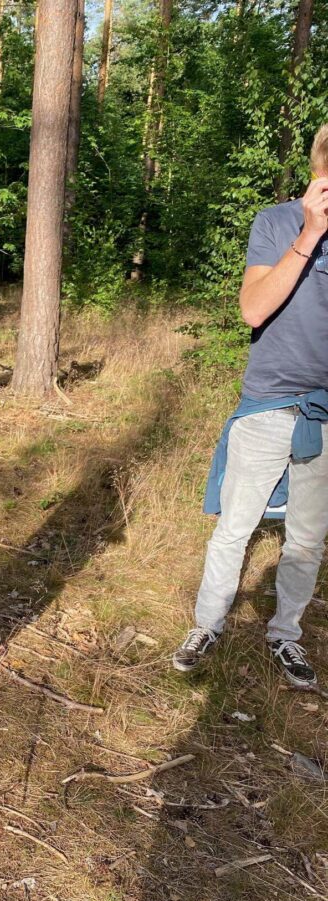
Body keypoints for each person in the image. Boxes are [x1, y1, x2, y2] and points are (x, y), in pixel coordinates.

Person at [173, 125, 328, 686]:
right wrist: (310, 234)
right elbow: (254, 310)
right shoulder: (277, 221)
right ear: (320, 169)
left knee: (307, 539)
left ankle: (286, 635)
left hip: (327, 415)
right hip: (268, 403)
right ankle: (208, 623)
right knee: (235, 527)